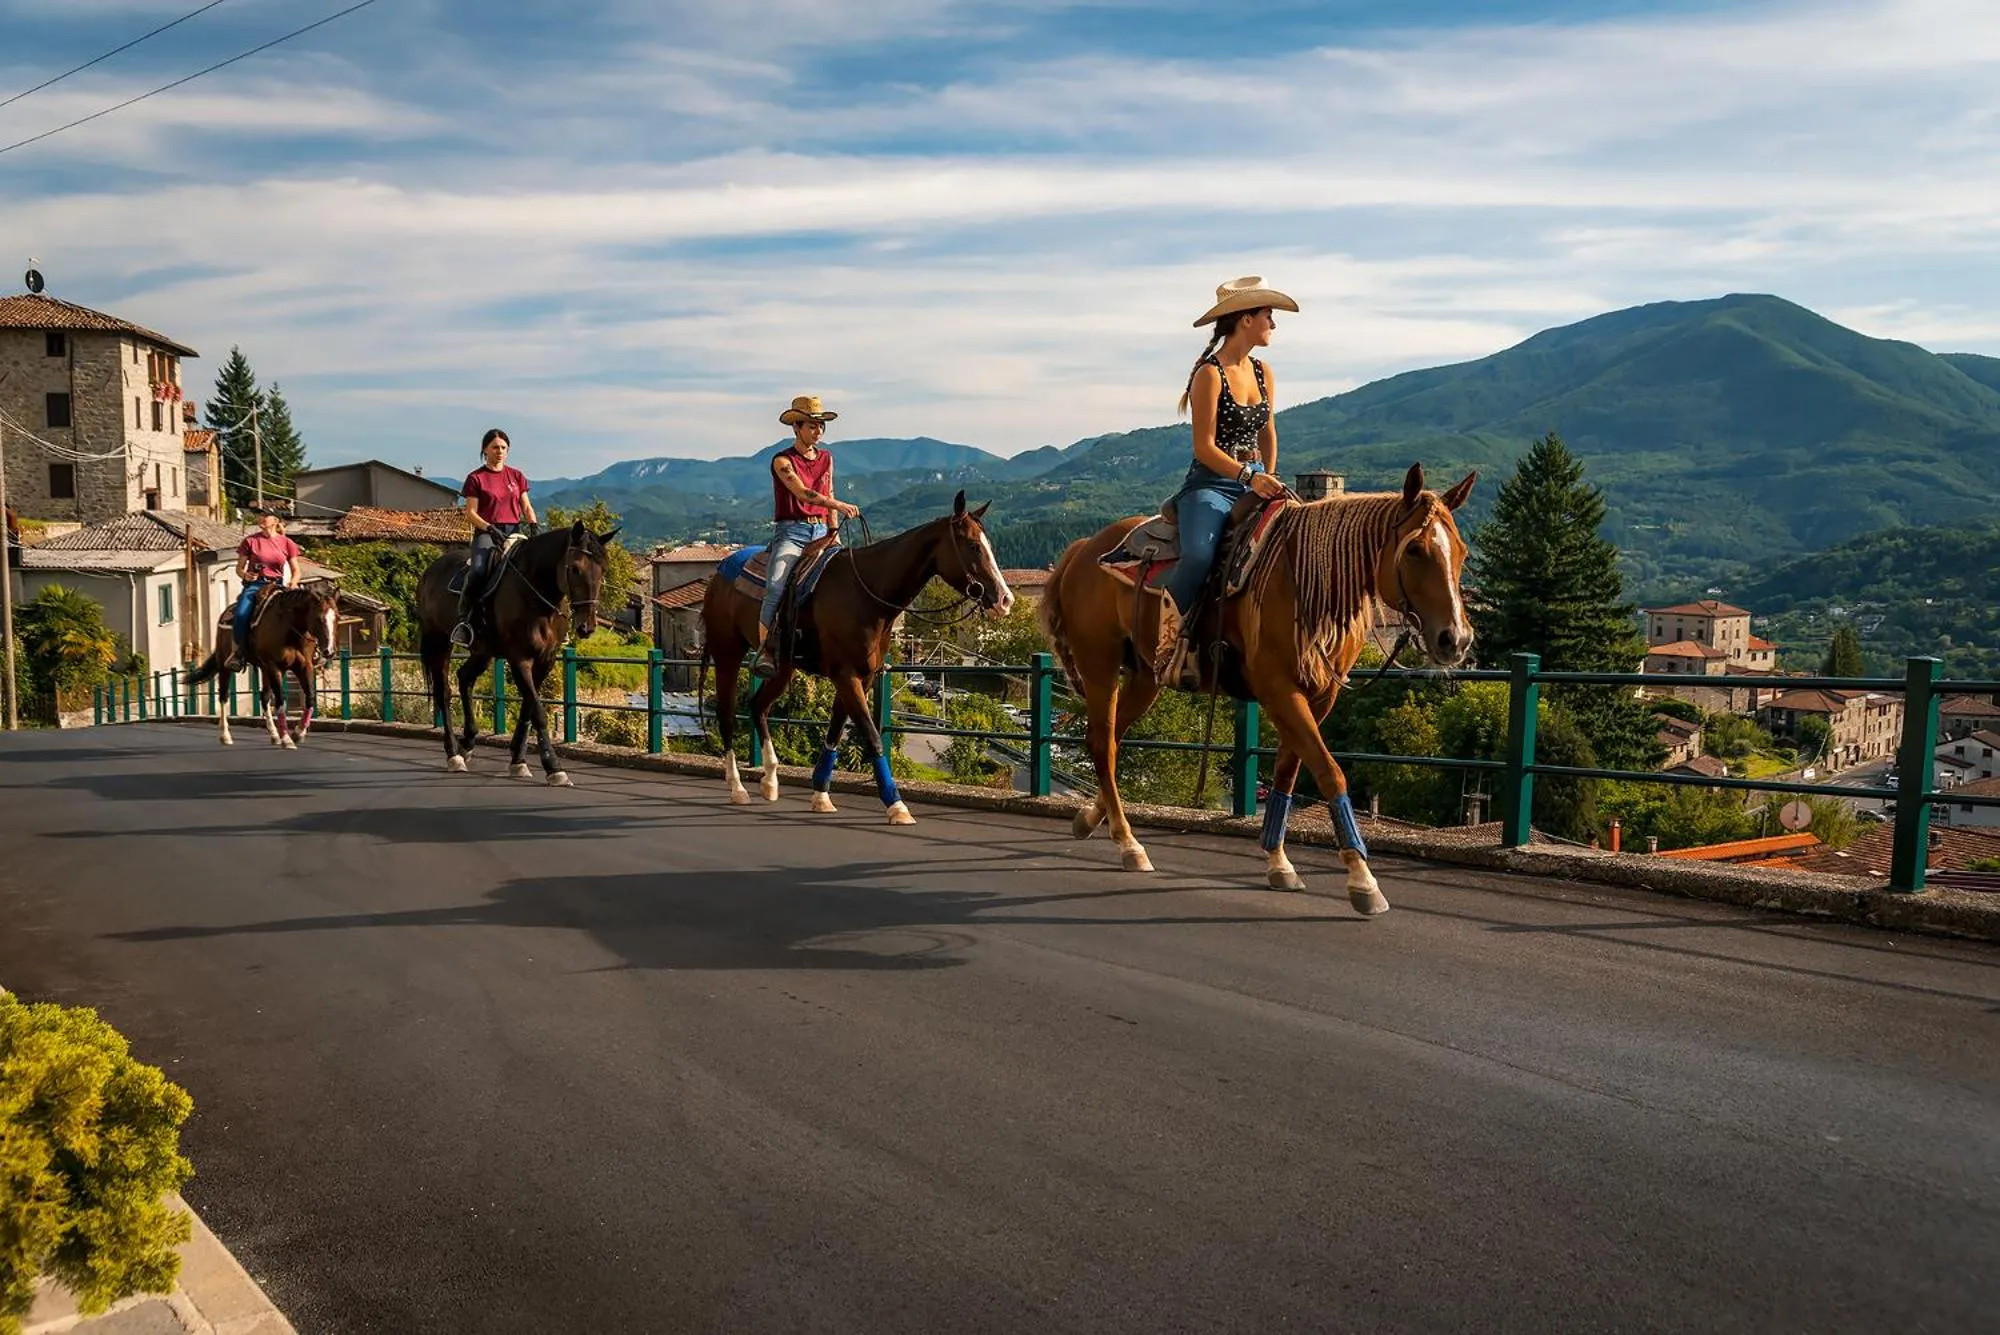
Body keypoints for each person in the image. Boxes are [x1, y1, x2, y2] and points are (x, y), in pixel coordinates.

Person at [1149, 275, 1296, 685]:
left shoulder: (1263, 372)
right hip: (1211, 485)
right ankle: (1166, 646)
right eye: (1268, 315)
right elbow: (1204, 447)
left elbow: (1268, 432)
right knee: (1199, 555)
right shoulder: (1209, 375)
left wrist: (1268, 475)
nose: (1273, 323)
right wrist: (1248, 475)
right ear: (1246, 319)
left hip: (1258, 480)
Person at [755, 395, 861, 673]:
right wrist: (838, 505)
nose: (818, 431)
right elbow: (803, 493)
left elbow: (829, 489)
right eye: (812, 426)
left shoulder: (826, 458)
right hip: (792, 532)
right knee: (775, 586)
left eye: (821, 426)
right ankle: (766, 650)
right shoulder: (782, 461)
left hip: (822, 530)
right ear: (796, 427)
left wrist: (834, 530)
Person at [454, 428, 538, 647]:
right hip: (487, 532)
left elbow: (526, 505)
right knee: (479, 570)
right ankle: (464, 621)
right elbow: (470, 513)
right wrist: (489, 528)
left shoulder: (516, 476)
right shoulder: (476, 478)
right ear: (485, 450)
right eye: (495, 447)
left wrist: (533, 525)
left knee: (538, 567)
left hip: (514, 530)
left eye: (503, 448)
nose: (499, 451)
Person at [232, 510, 300, 658]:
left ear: (275, 521)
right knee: (241, 614)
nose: (262, 518)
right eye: (260, 516)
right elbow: (239, 568)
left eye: (266, 516)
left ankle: (307, 651)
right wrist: (245, 575)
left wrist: (293, 582)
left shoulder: (287, 543)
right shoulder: (250, 541)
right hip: (255, 585)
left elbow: (296, 570)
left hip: (278, 585)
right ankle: (239, 651)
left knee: (301, 612)